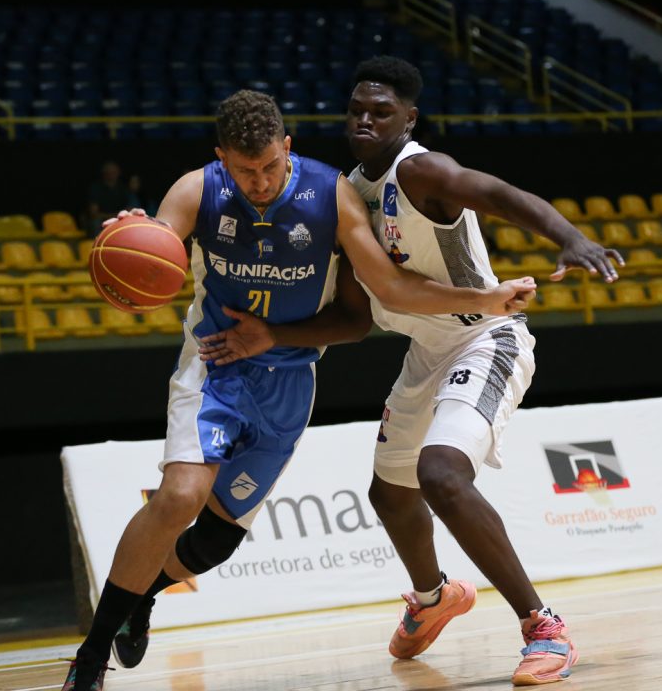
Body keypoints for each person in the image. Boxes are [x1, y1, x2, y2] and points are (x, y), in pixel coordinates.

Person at [60, 90, 537, 691]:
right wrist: (129, 236)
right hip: (215, 367)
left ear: (287, 147)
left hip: (289, 380)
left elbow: (384, 294)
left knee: (215, 541)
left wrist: (484, 299)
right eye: (245, 170)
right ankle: (91, 658)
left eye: (270, 166)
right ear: (221, 158)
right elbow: (156, 240)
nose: (259, 182)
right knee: (180, 496)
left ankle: (142, 598)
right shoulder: (197, 189)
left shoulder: (329, 195)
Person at [199, 57, 624, 685]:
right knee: (390, 495)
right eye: (357, 110)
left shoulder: (420, 170)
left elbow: (497, 193)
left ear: (409, 118)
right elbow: (354, 320)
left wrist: (568, 236)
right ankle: (434, 598)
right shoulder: (346, 194)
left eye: (382, 111)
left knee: (441, 475)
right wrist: (272, 335)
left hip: (485, 338)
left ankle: (544, 628)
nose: (365, 120)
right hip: (426, 352)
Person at [86, 161, 140, 235]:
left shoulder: (123, 188)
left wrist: (120, 217)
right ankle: (97, 241)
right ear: (104, 173)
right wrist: (113, 216)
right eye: (108, 172)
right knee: (95, 222)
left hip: (120, 219)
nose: (111, 174)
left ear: (119, 173)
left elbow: (130, 209)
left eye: (113, 172)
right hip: (103, 220)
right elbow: (94, 213)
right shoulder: (96, 188)